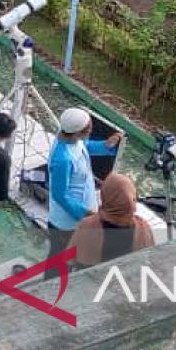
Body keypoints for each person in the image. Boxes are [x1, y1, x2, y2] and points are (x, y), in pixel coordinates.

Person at [45, 107, 123, 267]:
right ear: (77, 132)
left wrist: (106, 145)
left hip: (82, 216)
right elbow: (60, 194)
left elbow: (84, 145)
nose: (91, 129)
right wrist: (85, 214)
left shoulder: (69, 136)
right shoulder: (62, 159)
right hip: (66, 223)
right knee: (58, 261)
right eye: (88, 128)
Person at [68, 173, 155, 267]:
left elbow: (71, 260)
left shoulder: (87, 226)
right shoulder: (143, 228)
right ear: (131, 198)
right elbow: (149, 260)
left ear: (104, 195)